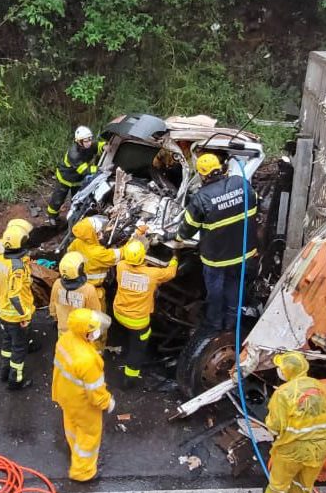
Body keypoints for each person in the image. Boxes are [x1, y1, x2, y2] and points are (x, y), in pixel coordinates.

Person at [173, 153, 259, 336]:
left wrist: (177, 237)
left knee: (215, 294)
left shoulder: (201, 198)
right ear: (221, 168)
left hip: (216, 259)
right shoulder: (241, 183)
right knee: (235, 288)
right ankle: (231, 324)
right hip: (242, 253)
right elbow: (255, 201)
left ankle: (213, 326)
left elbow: (188, 228)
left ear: (203, 175)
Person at [264, 351, 326, 493]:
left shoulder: (283, 393)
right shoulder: (320, 386)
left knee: (279, 481)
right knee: (306, 481)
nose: (279, 370)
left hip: (293, 449)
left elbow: (275, 426)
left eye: (280, 367)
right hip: (321, 446)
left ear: (287, 371)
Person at [52, 308, 115, 482]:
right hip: (83, 404)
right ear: (85, 333)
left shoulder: (66, 340)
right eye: (93, 329)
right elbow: (95, 392)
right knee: (89, 435)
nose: (97, 332)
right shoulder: (88, 360)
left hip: (64, 394)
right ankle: (83, 472)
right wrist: (107, 402)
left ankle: (74, 448)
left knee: (71, 424)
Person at [112, 239, 177, 389]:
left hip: (119, 312)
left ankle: (124, 343)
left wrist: (137, 235)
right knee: (137, 349)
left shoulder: (121, 267)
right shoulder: (152, 274)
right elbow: (170, 273)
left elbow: (126, 253)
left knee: (129, 334)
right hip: (137, 321)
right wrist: (174, 257)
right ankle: (130, 378)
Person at [0, 225, 35, 390]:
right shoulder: (17, 267)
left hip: (3, 313)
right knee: (19, 349)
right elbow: (14, 296)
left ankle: (4, 371)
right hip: (16, 317)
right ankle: (15, 380)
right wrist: (24, 316)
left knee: (7, 344)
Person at [47, 126, 104, 226]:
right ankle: (52, 217)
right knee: (58, 199)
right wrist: (100, 169)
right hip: (65, 178)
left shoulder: (89, 145)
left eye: (90, 139)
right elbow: (85, 170)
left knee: (77, 199)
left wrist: (104, 147)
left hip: (77, 180)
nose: (89, 142)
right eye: (86, 141)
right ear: (79, 141)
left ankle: (75, 218)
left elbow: (98, 145)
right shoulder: (74, 154)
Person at [48, 251, 103, 338]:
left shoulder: (57, 283)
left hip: (63, 331)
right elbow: (95, 314)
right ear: (80, 269)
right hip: (82, 333)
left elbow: (53, 304)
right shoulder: (89, 289)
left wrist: (55, 318)